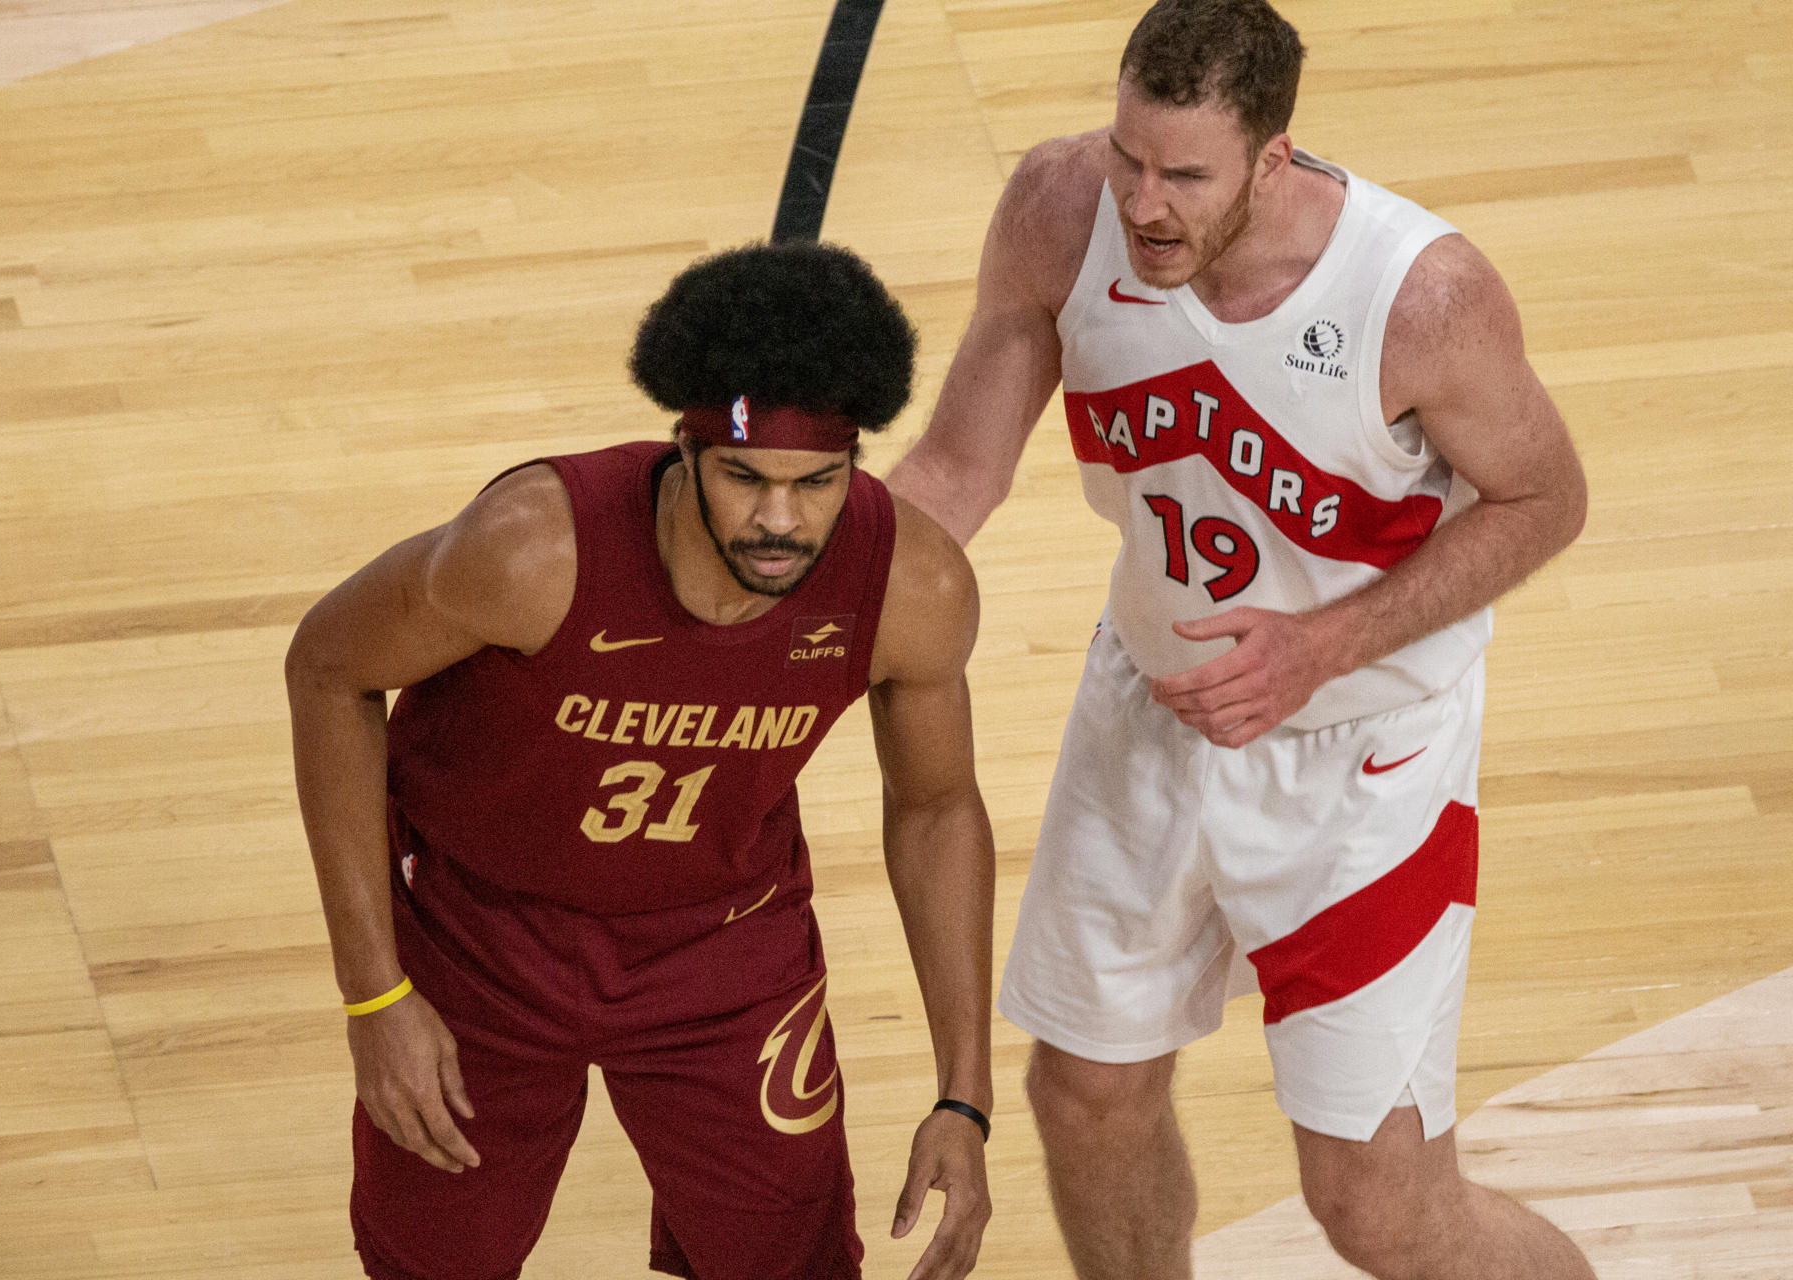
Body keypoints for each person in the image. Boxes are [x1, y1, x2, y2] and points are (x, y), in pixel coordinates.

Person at [886, 2, 1592, 1277]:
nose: (1144, 204)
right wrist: (791, 615)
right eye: (1129, 157)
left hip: (1359, 751)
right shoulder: (1059, 208)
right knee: (1085, 1098)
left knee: (1377, 1206)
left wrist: (1325, 644)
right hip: (1149, 707)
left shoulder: (1420, 295)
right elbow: (951, 473)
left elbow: (1547, 499)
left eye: (1185, 175)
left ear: (1272, 159)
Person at [285, 241, 995, 1280]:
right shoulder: (531, 552)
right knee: (437, 1263)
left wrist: (961, 1093)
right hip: (483, 936)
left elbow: (937, 807)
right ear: (687, 448)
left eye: (818, 482)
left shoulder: (911, 586)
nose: (781, 520)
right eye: (747, 476)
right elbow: (327, 669)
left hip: (723, 951)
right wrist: (374, 995)